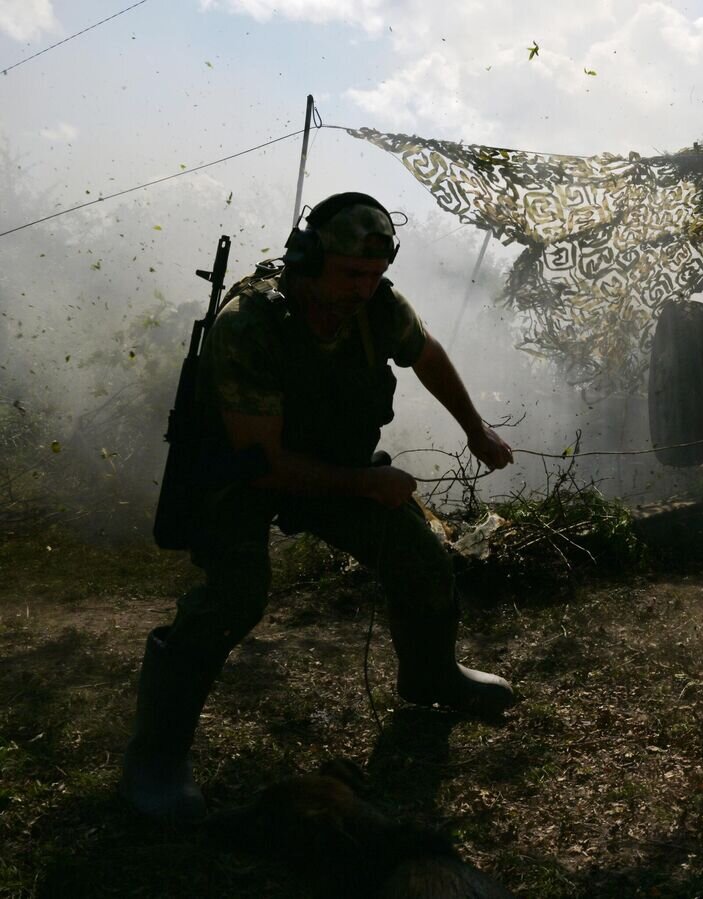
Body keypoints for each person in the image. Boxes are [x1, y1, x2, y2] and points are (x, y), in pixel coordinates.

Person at [121, 191, 516, 823]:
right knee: (234, 596)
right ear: (308, 260)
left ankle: (430, 676)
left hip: (330, 465)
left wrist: (474, 427)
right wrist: (365, 485)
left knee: (416, 550)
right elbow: (267, 464)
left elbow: (426, 352)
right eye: (351, 274)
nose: (364, 289)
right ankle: (157, 756)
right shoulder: (251, 324)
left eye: (375, 275)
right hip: (239, 477)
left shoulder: (375, 306)